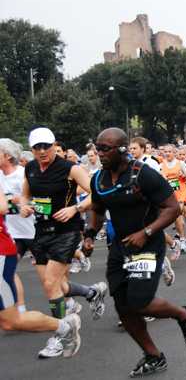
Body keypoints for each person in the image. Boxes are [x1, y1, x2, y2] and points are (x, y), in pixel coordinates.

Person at [83, 128, 186, 377]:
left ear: (123, 149)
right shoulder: (99, 179)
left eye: (105, 149)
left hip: (147, 244)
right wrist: (90, 236)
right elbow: (97, 208)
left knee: (140, 302)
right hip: (119, 248)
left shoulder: (144, 174)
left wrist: (145, 232)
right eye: (97, 148)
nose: (99, 153)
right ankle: (153, 356)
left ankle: (184, 314)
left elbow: (172, 208)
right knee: (123, 306)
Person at [19, 127, 107, 358]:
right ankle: (92, 292)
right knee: (55, 286)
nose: (42, 151)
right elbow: (24, 195)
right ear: (31, 149)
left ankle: (64, 332)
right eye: (37, 147)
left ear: (54, 144)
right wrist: (24, 205)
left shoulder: (71, 168)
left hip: (66, 231)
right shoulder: (30, 168)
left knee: (51, 285)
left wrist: (75, 208)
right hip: (41, 232)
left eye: (46, 146)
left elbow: (96, 193)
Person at [0, 186, 82, 358]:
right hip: (24, 236)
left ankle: (65, 327)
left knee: (10, 321)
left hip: (19, 243)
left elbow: (2, 206)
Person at [0, 138, 36, 313]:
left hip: (33, 231)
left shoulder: (22, 173)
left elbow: (33, 198)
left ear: (8, 156)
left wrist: (11, 199)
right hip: (13, 234)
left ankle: (75, 298)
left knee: (50, 279)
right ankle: (20, 308)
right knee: (10, 270)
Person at [161, 144, 186, 251]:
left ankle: (183, 240)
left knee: (177, 214)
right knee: (175, 217)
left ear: (175, 153)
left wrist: (183, 176)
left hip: (180, 194)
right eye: (166, 152)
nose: (168, 153)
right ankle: (183, 238)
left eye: (170, 151)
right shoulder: (161, 166)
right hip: (168, 196)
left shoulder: (181, 164)